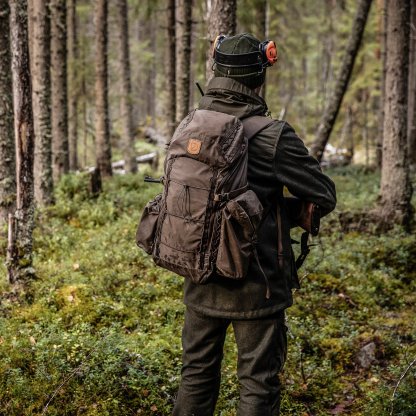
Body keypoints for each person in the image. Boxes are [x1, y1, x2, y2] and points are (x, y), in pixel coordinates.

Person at [172, 33, 337, 416]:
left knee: (196, 374)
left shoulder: (189, 125)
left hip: (199, 276)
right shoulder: (273, 135)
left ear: (217, 70)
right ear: (258, 76)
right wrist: (287, 210)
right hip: (256, 282)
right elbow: (324, 194)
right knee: (258, 382)